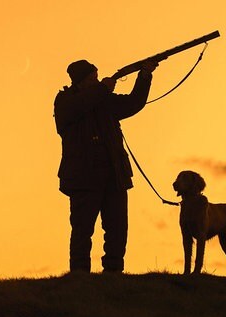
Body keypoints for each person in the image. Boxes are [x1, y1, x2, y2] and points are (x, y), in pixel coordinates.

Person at [54, 59, 158, 273]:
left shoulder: (102, 100)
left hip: (114, 174)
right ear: (80, 81)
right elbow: (80, 106)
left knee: (117, 228)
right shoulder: (65, 100)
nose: (98, 79)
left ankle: (114, 273)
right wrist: (103, 88)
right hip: (83, 177)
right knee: (83, 230)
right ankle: (79, 275)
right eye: (92, 77)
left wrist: (145, 76)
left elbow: (133, 104)